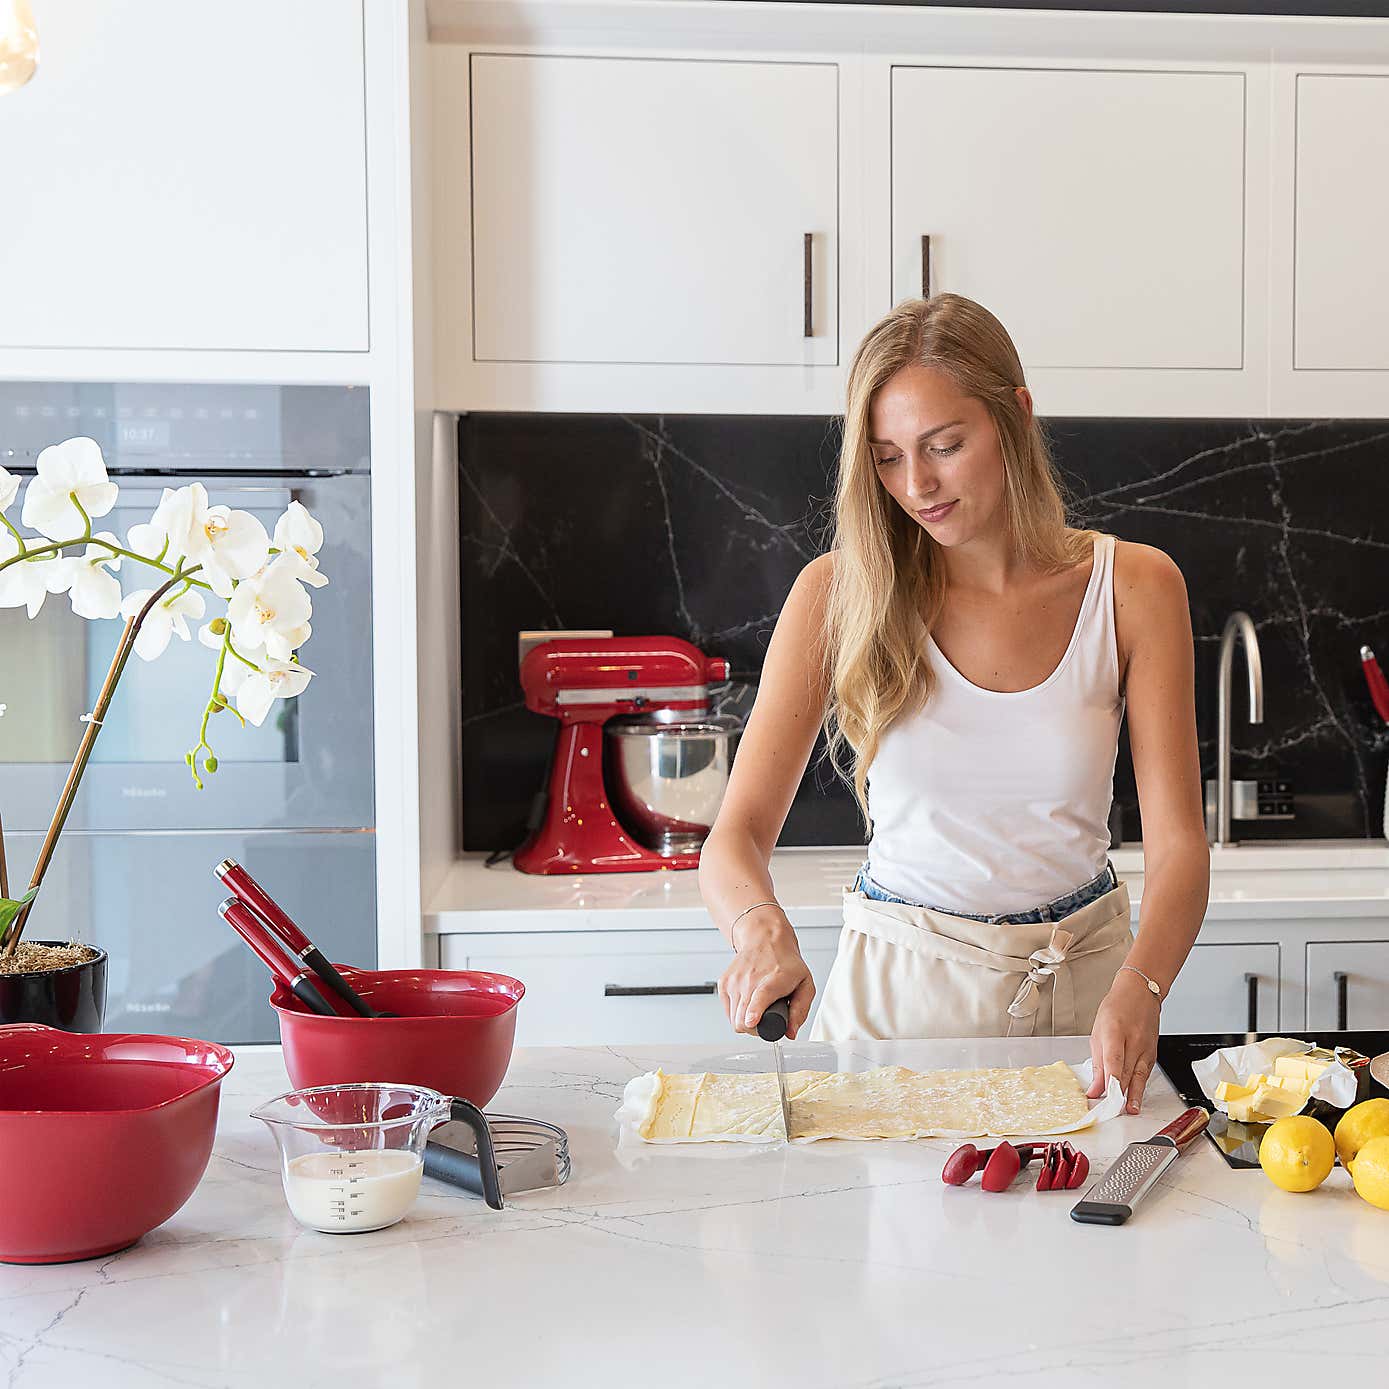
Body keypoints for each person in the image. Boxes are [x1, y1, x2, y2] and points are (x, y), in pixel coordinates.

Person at [698, 294, 1210, 1115]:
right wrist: (760, 932)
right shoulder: (838, 593)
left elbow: (1180, 844)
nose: (917, 484)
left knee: (1090, 1239)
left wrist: (1142, 985)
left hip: (1087, 1000)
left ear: (1016, 417)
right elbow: (733, 840)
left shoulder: (1134, 588)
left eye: (943, 445)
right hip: (900, 1006)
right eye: (888, 457)